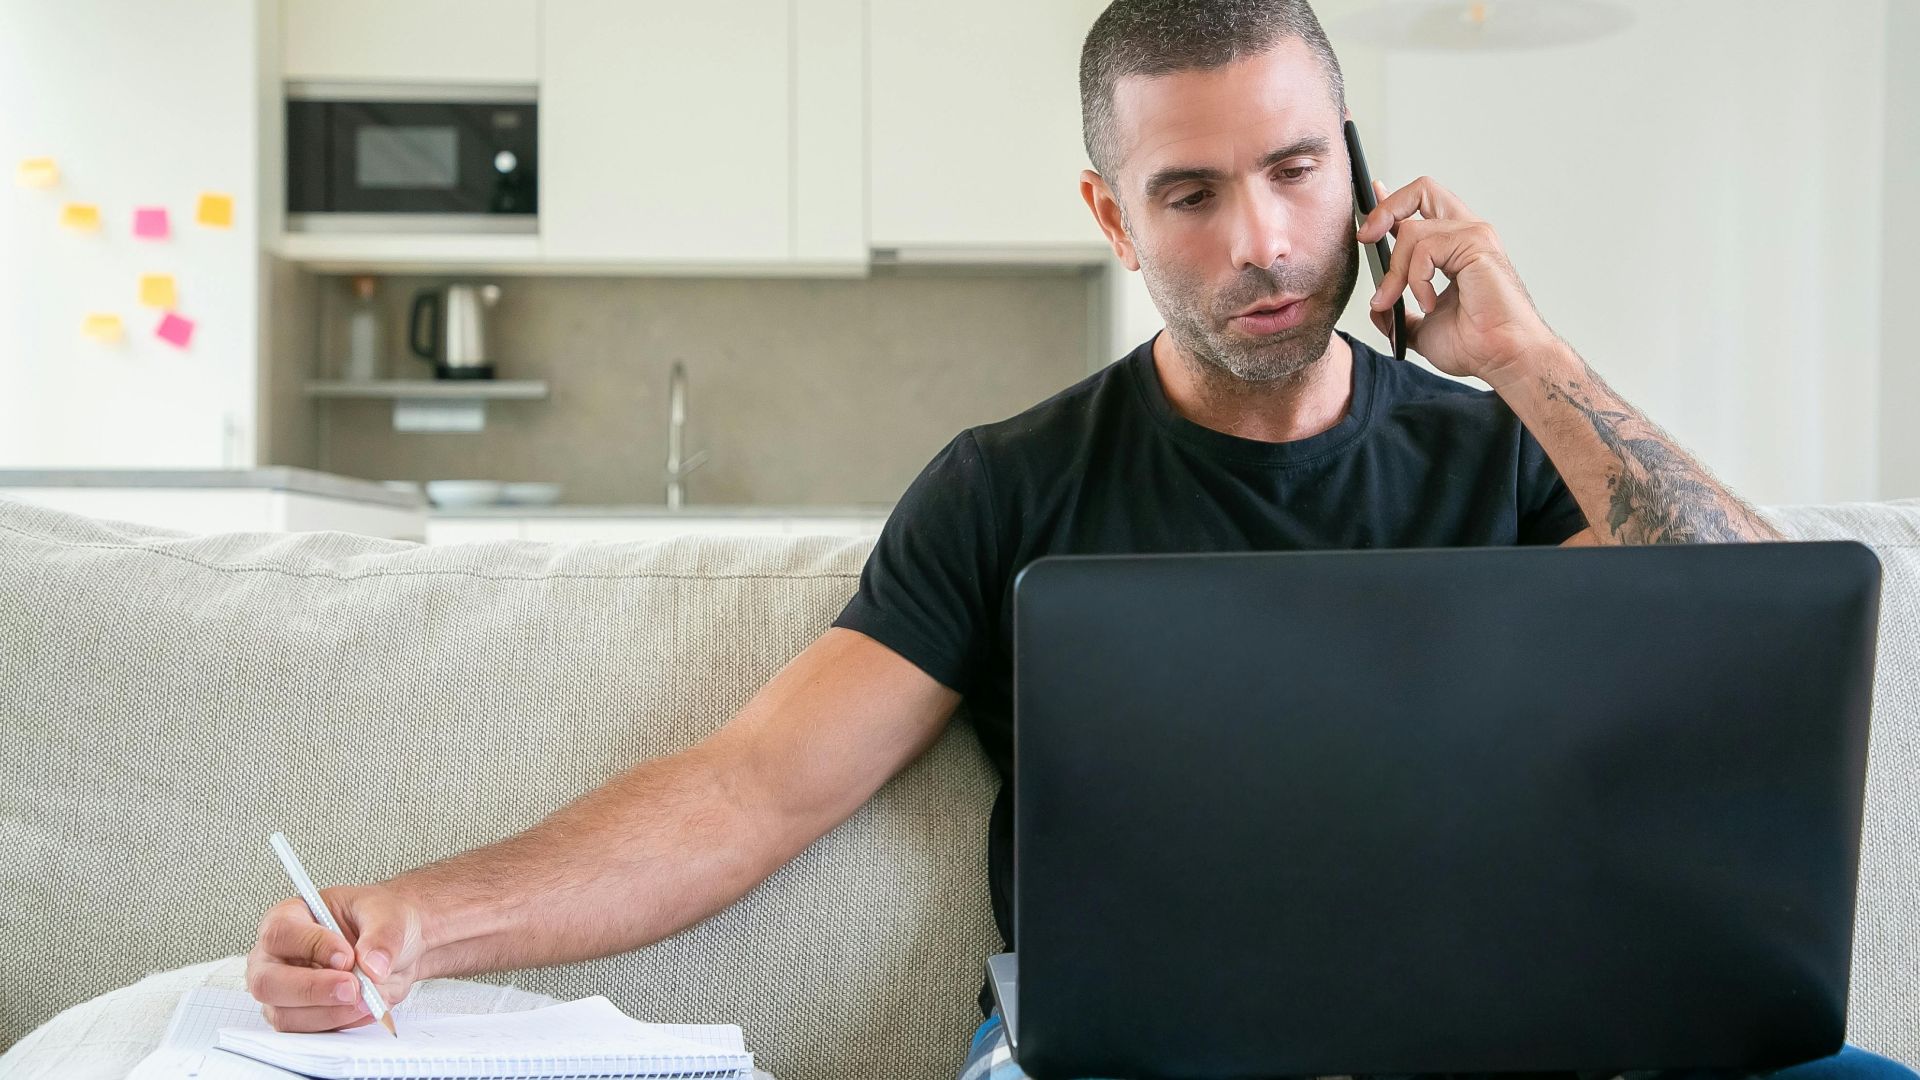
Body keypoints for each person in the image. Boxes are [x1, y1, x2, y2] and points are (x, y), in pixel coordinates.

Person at [247, 2, 1913, 1079]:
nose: (1262, 243)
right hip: (1133, 1055)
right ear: (1114, 215)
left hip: (1509, 1038)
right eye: (1190, 194)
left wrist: (1537, 364)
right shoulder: (1010, 486)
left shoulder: (1504, 455)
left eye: (1296, 169)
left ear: (1366, 173)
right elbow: (756, 786)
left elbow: (1753, 643)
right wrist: (420, 920)